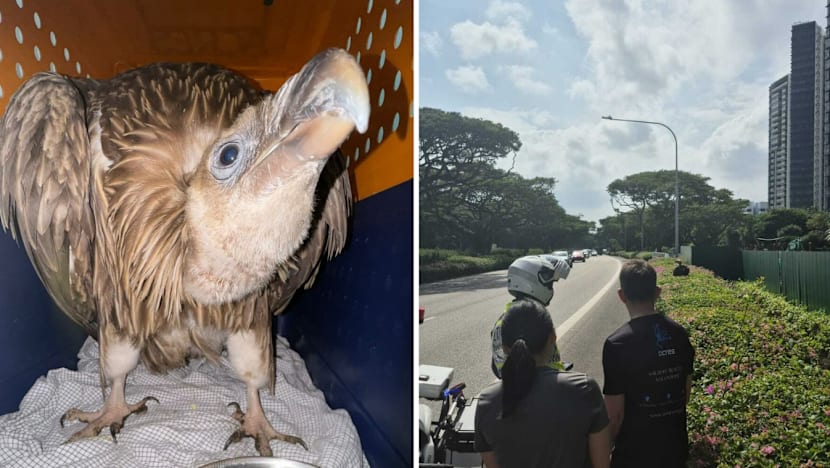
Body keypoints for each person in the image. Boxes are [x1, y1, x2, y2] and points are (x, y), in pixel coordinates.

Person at [475, 299, 611, 468]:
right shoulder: (584, 390)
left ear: (503, 347)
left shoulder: (486, 402)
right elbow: (602, 464)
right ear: (553, 338)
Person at [602, 259, 695, 467]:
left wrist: (602, 455)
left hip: (633, 455)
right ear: (657, 292)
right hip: (675, 449)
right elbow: (685, 395)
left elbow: (615, 416)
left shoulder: (616, 344)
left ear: (621, 296)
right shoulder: (680, 334)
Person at [491, 255, 569, 378]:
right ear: (532, 281)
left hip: (512, 389)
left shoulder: (505, 319)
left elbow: (498, 367)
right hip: (547, 388)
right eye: (549, 285)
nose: (551, 289)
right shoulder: (536, 319)